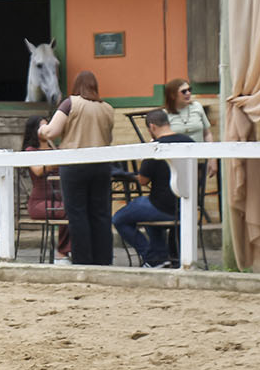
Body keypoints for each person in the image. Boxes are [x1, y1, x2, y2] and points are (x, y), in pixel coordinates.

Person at [38, 70, 115, 265]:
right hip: (102, 165)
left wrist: (42, 129)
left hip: (75, 166)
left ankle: (83, 260)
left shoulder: (70, 103)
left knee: (77, 213)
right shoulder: (107, 108)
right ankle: (104, 260)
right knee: (101, 213)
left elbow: (52, 132)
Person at [112, 109, 193, 268]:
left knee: (119, 219)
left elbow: (143, 181)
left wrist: (125, 174)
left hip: (162, 207)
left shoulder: (156, 147)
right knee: (146, 210)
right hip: (185, 205)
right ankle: (161, 257)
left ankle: (153, 258)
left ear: (152, 127)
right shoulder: (188, 141)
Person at [22, 114, 70, 263]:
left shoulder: (54, 148)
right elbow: (37, 170)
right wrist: (58, 159)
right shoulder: (30, 150)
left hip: (58, 200)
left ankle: (72, 251)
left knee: (76, 208)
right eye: (42, 127)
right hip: (39, 203)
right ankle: (62, 254)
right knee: (68, 210)